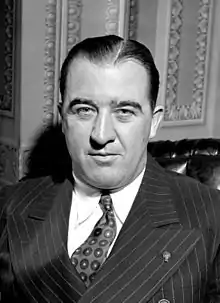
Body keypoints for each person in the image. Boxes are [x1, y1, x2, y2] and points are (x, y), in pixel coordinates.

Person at [0, 35, 220, 303]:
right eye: (84, 110)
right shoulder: (10, 207)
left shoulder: (211, 217)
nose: (101, 135)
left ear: (153, 122)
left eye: (124, 111)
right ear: (63, 117)